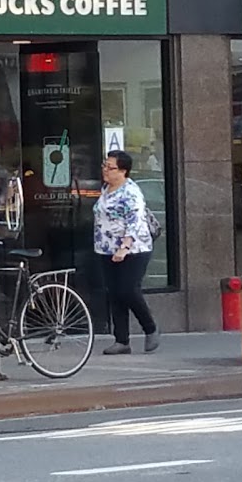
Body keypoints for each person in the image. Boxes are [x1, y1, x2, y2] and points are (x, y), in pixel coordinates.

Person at [94, 149, 159, 355]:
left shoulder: (131, 192)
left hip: (134, 249)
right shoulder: (106, 189)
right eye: (104, 165)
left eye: (110, 167)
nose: (105, 170)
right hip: (106, 248)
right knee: (114, 293)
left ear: (123, 171)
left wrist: (125, 247)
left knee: (128, 289)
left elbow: (135, 221)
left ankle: (150, 328)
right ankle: (121, 340)